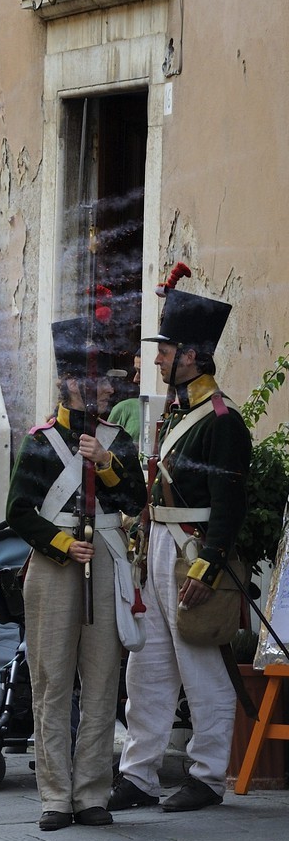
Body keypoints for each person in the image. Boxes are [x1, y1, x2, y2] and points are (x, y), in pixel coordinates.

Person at [111, 287, 252, 814]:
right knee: (145, 671)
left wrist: (207, 567)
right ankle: (139, 773)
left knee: (201, 670)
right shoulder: (174, 413)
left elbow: (228, 506)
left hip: (191, 553)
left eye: (166, 351)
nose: (157, 359)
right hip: (156, 550)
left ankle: (209, 776)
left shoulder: (222, 421)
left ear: (192, 355)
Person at [6, 316, 147, 831]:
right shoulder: (41, 441)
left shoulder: (115, 438)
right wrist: (64, 543)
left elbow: (135, 500)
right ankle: (55, 796)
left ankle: (92, 793)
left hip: (106, 558)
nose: (108, 387)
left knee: (103, 680)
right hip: (55, 565)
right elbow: (19, 511)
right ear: (69, 383)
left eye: (109, 379)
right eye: (97, 380)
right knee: (51, 681)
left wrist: (108, 463)